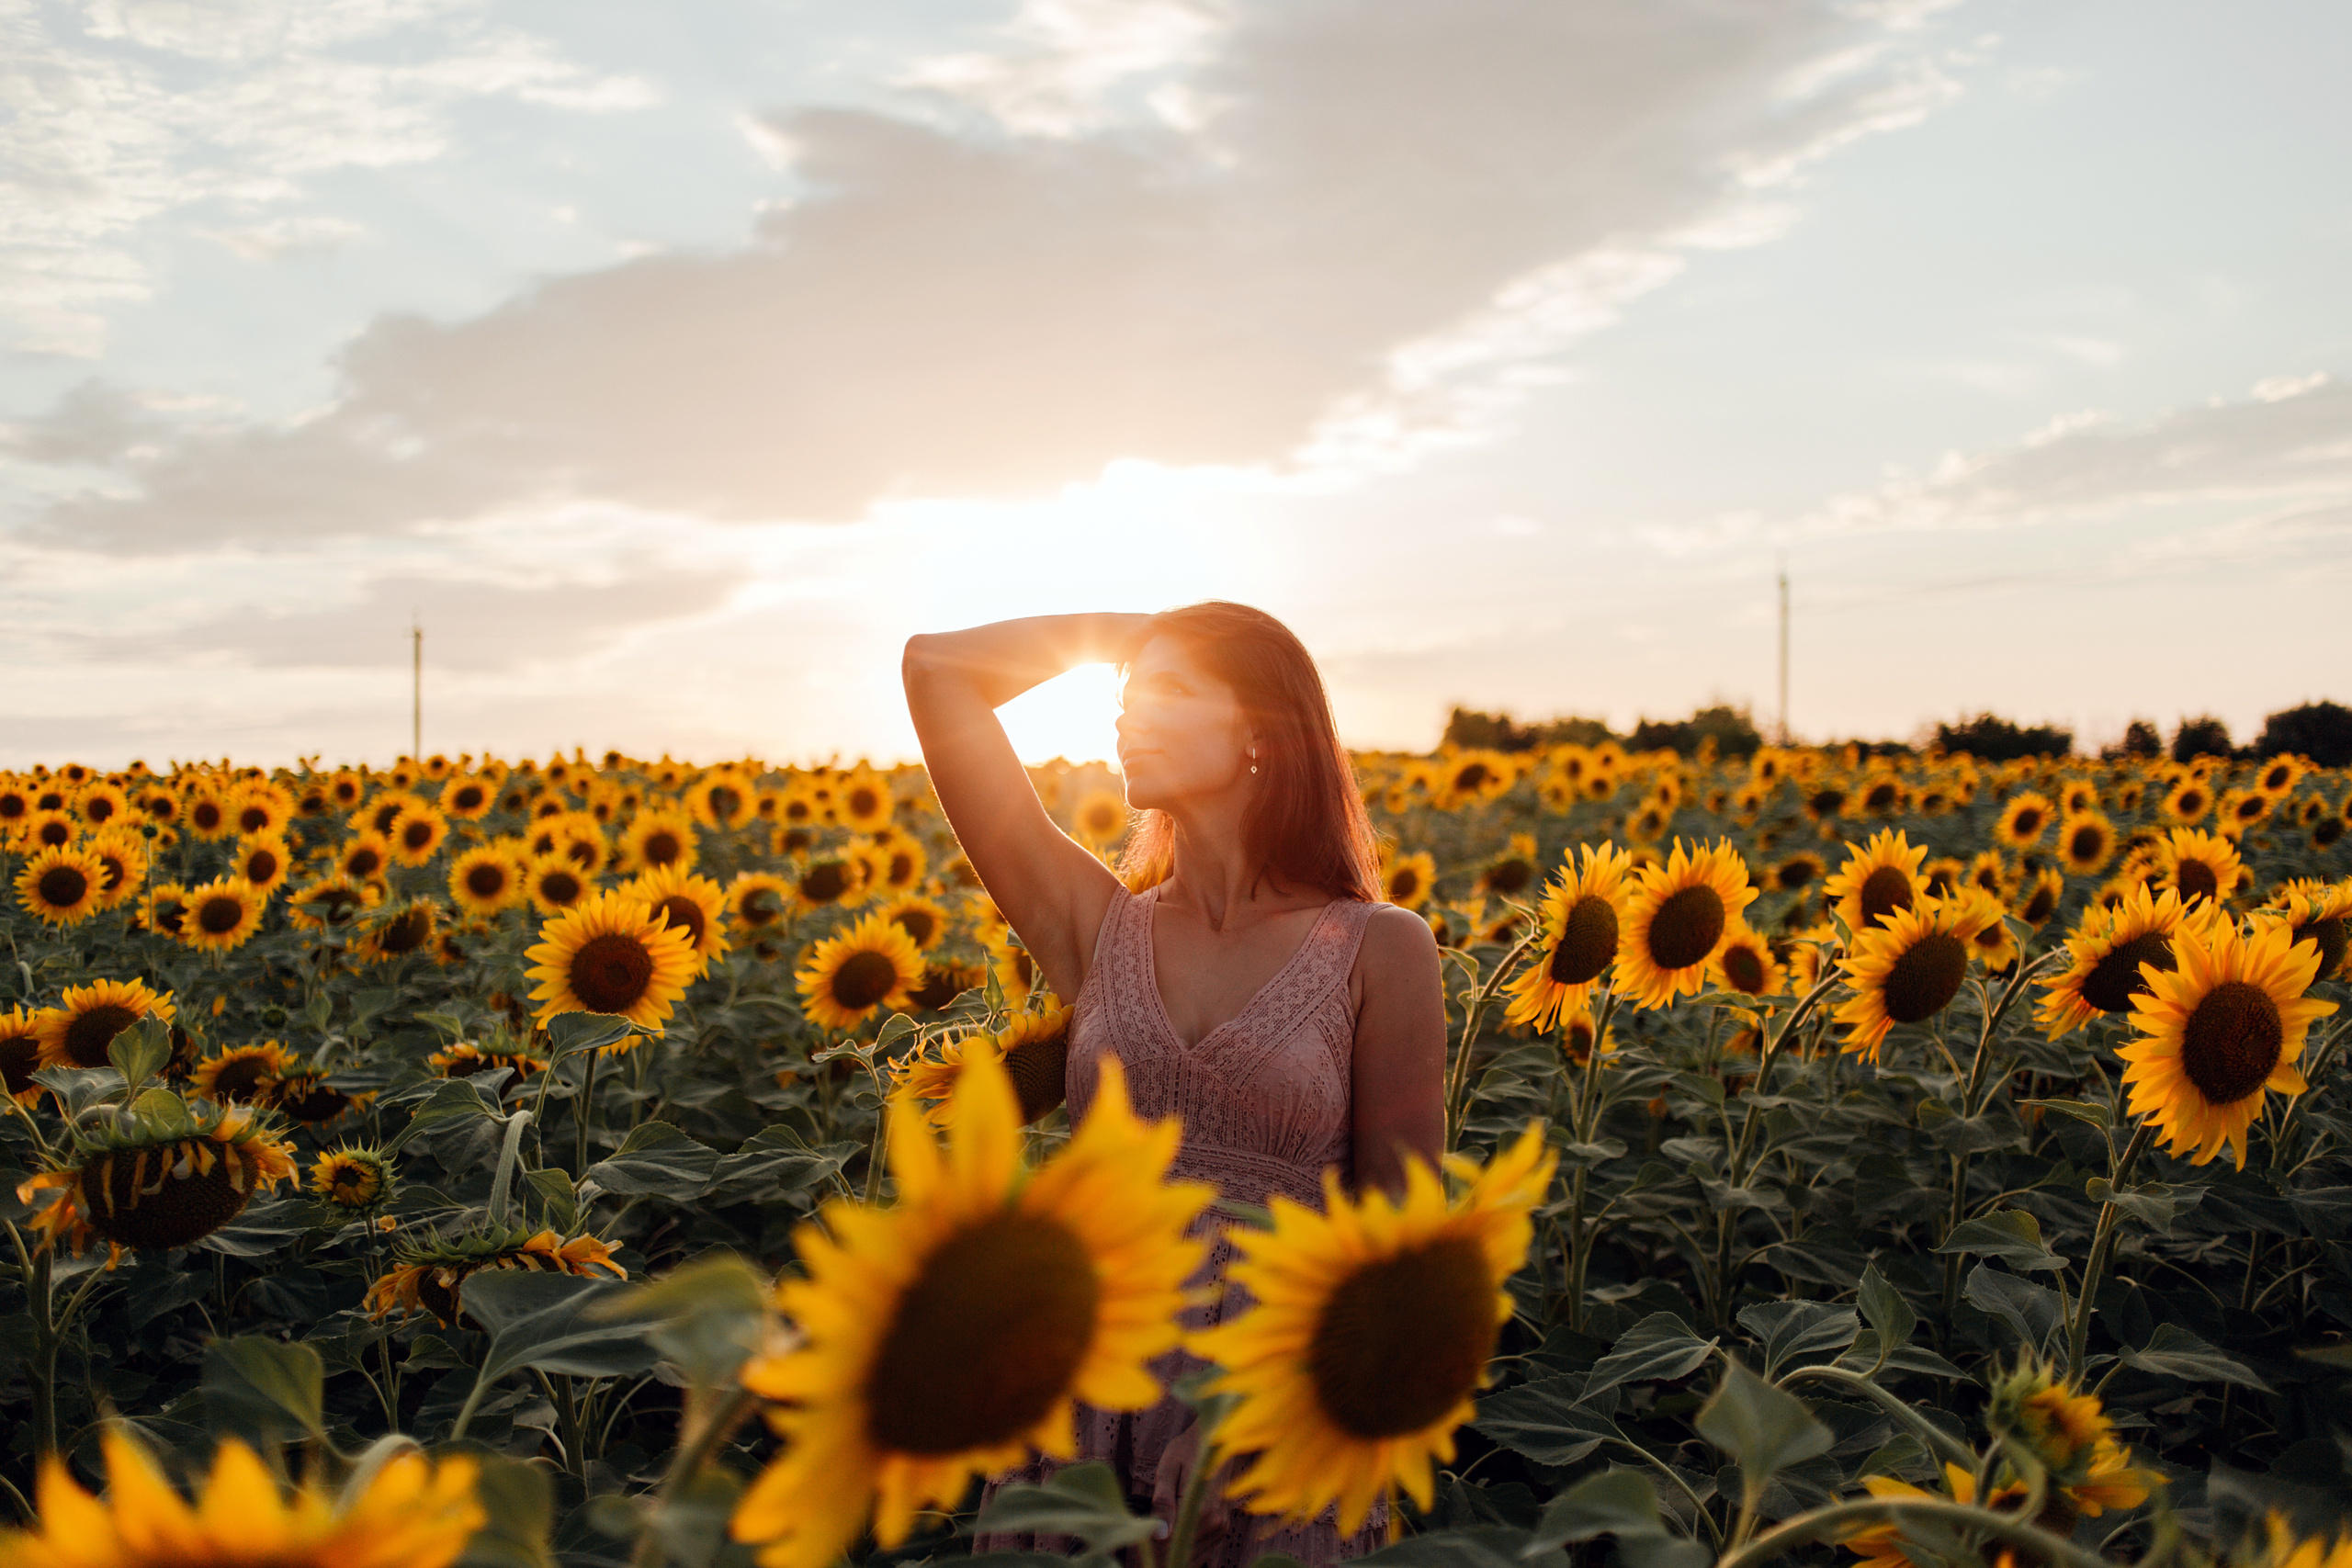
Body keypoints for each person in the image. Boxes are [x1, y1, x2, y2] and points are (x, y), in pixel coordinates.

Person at [901, 602, 1446, 1567]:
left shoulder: (1379, 950)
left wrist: (1255, 1416)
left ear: (1260, 731)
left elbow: (1400, 1249)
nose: (1124, 716)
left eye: (1168, 688)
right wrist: (1130, 630)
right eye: (1122, 693)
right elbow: (936, 672)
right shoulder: (1098, 926)